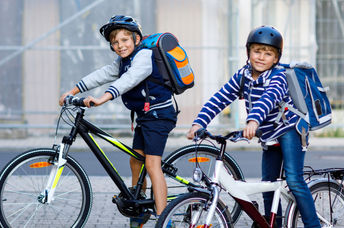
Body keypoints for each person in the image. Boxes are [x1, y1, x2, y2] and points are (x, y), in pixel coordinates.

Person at [187, 26, 321, 228]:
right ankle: (272, 223)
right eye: (257, 51)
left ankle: (313, 225)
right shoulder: (243, 76)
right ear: (248, 52)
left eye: (268, 53)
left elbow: (268, 99)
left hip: (290, 129)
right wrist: (199, 122)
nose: (261, 57)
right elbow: (220, 98)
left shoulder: (279, 76)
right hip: (269, 133)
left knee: (294, 180)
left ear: (276, 59)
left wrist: (253, 121)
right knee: (268, 183)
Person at [59, 15, 177, 228]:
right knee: (136, 161)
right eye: (115, 42)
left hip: (160, 115)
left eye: (124, 40)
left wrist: (102, 98)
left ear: (136, 39)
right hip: (145, 117)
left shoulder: (145, 57)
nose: (120, 45)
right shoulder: (123, 61)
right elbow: (101, 74)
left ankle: (164, 219)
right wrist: (73, 91)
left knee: (152, 165)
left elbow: (128, 81)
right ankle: (139, 208)